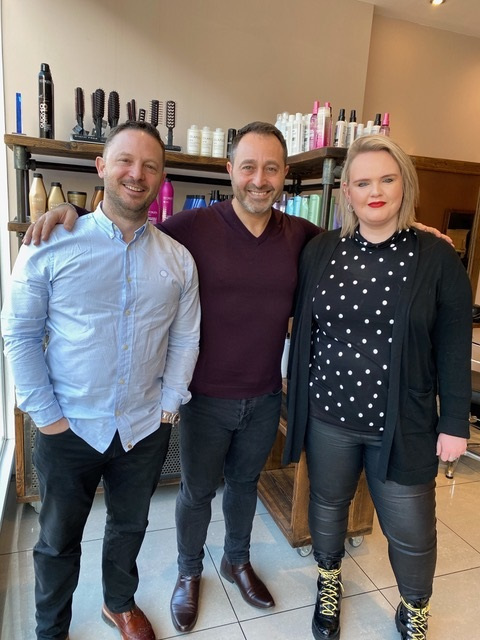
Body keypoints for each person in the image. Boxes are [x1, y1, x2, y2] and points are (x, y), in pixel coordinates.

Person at [24, 123, 453, 635]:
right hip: (204, 398)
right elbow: (128, 222)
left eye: (271, 169)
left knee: (245, 486)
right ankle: (188, 572)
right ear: (230, 170)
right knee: (196, 492)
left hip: (265, 395)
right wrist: (70, 214)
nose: (259, 179)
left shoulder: (303, 238)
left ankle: (237, 560)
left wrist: (413, 228)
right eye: (248, 167)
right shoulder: (189, 228)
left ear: (284, 175)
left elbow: (365, 228)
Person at [1, 121, 201, 640]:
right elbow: (19, 334)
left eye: (150, 166)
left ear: (161, 178)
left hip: (143, 426)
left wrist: (169, 407)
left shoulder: (178, 259)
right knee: (57, 540)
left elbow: (185, 340)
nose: (137, 174)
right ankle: (51, 629)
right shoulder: (50, 243)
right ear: (101, 167)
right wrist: (46, 418)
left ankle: (118, 604)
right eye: (125, 161)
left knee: (130, 526)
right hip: (68, 426)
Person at [284, 134, 472, 640]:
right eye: (363, 182)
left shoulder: (436, 257)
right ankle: (328, 580)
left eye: (387, 179)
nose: (375, 192)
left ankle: (414, 607)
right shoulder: (319, 251)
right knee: (327, 506)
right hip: (328, 416)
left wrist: (455, 422)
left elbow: (454, 346)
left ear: (404, 185)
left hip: (405, 420)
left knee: (411, 528)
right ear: (346, 191)